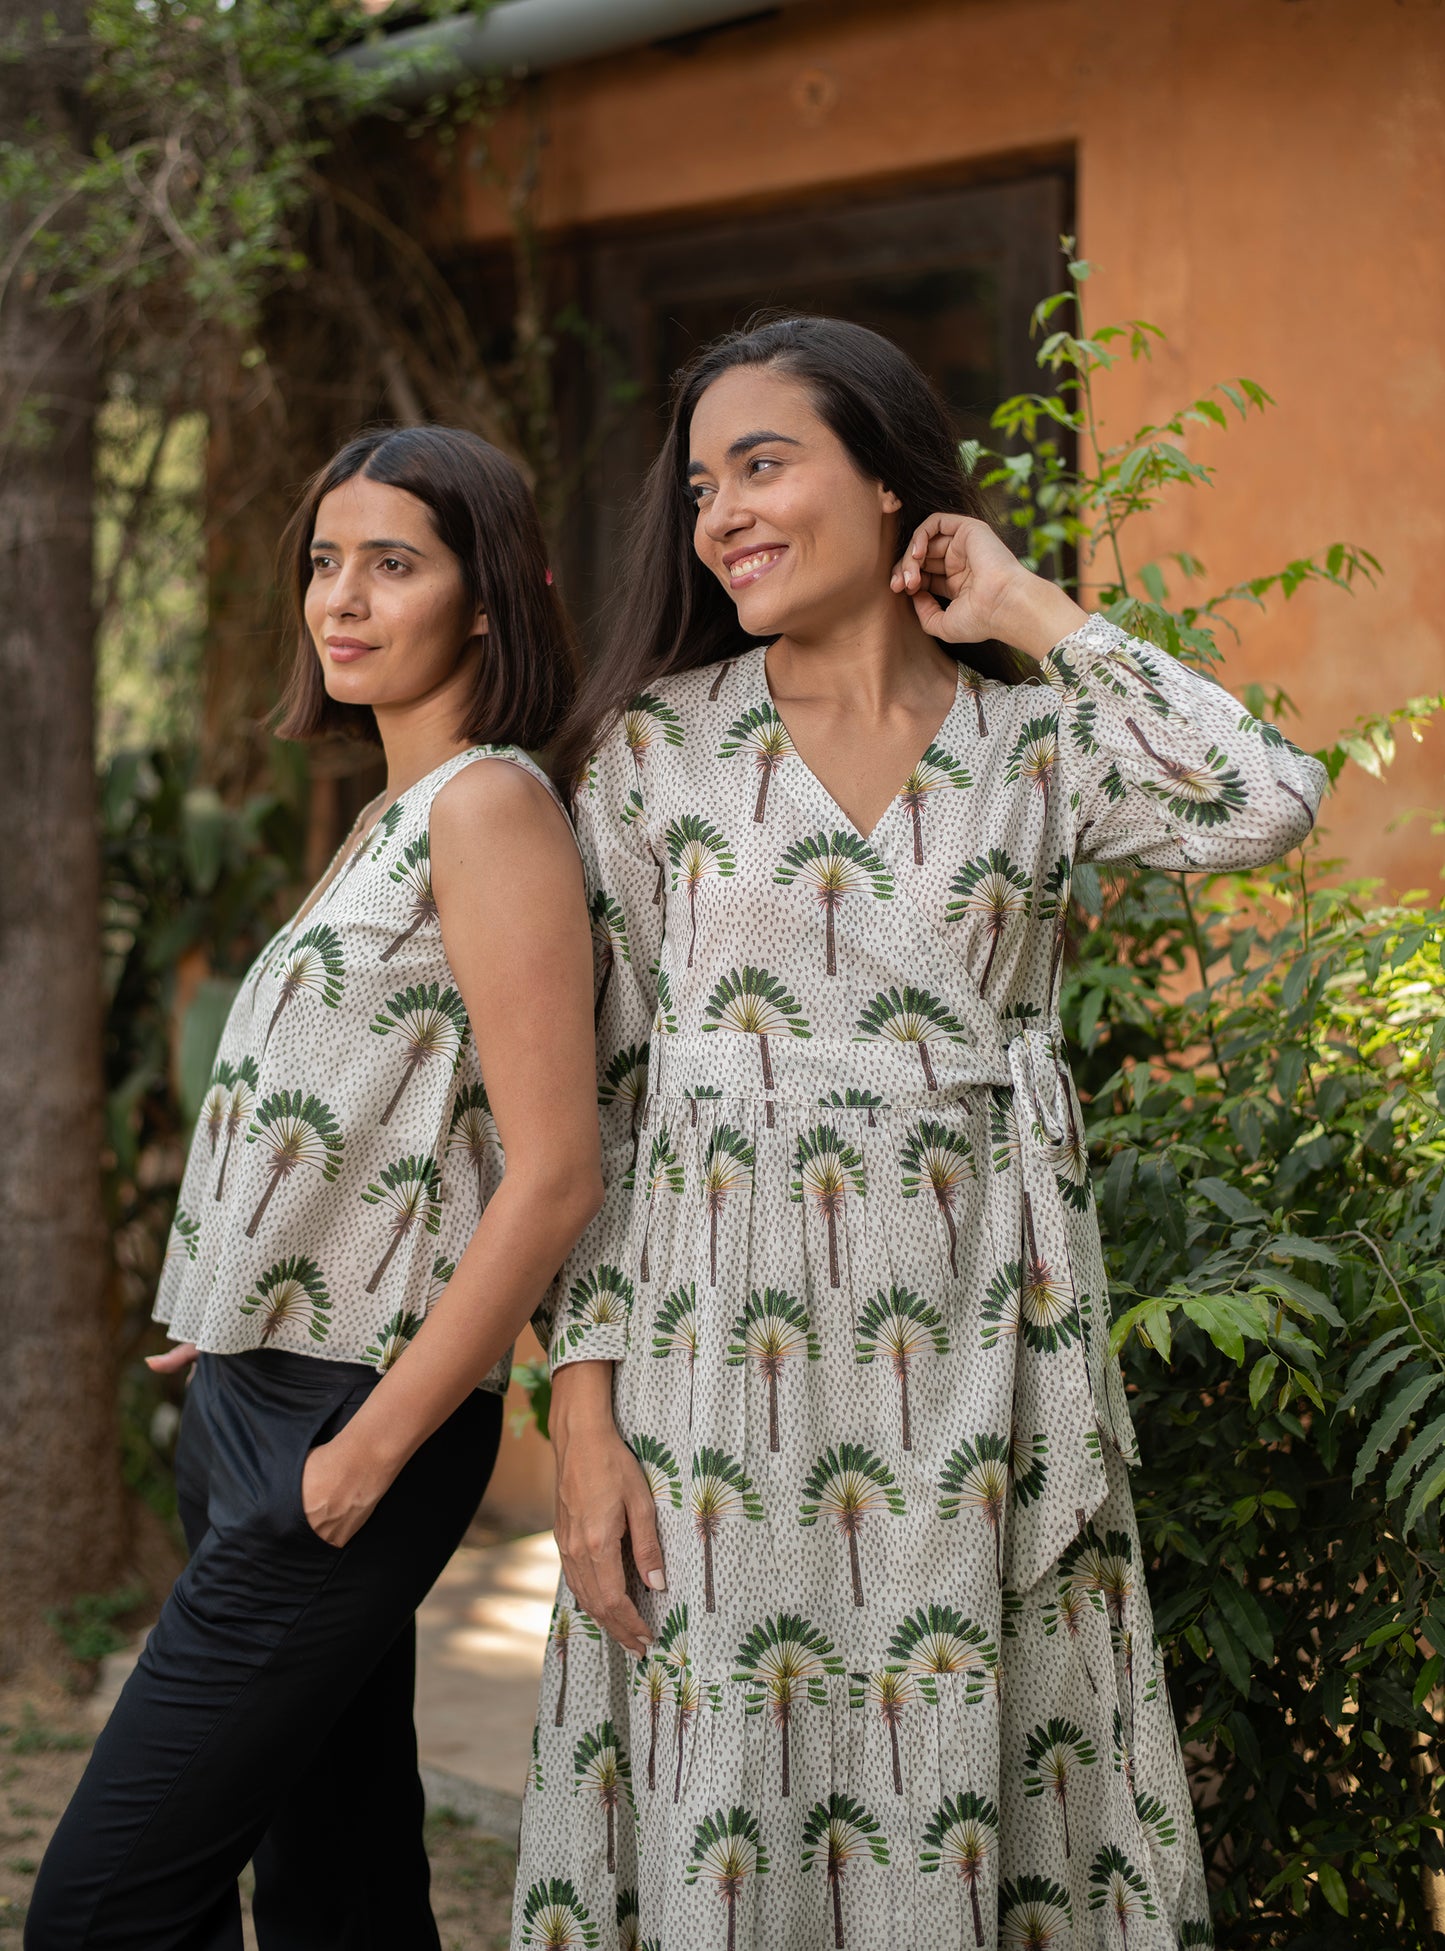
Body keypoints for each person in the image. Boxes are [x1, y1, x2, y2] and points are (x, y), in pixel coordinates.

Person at [512, 317, 1325, 1950]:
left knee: (974, 1753)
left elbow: (1264, 801)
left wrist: (1023, 605)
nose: (721, 514)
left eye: (762, 464)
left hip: (984, 1351)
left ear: (889, 483)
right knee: (733, 1771)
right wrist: (581, 1426)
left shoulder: (1031, 742)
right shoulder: (657, 751)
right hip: (715, 1376)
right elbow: (601, 1100)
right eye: (700, 486)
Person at [27, 425, 601, 1951]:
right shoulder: (387, 816)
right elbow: (359, 1123)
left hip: (351, 1424)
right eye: (325, 561)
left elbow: (552, 1175)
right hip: (256, 1395)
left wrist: (366, 1453)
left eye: (392, 564)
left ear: (488, 598)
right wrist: (231, 1309)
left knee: (102, 1910)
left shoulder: (488, 808)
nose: (340, 598)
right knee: (338, 1886)